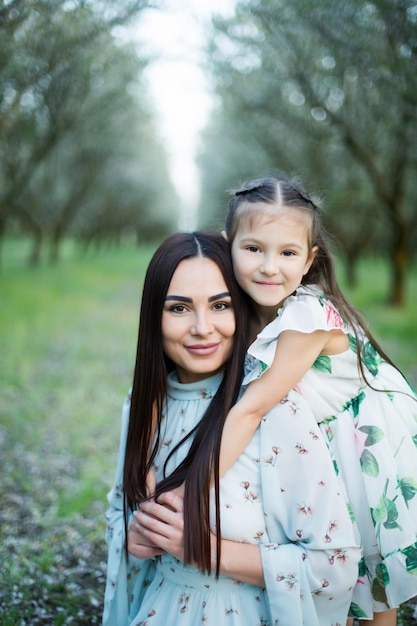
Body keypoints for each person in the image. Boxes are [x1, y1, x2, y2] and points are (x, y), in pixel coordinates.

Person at [102, 231, 360, 626]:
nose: (203, 328)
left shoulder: (273, 408)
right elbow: (118, 512)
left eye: (220, 305)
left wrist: (205, 550)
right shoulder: (141, 404)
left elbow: (336, 568)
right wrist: (132, 538)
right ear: (153, 316)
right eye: (179, 308)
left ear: (242, 308)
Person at [217, 172, 417, 625]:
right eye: (253, 249)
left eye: (287, 253)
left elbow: (252, 407)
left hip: (360, 449)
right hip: (318, 445)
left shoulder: (307, 314)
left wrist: (194, 487)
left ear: (309, 260)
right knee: (339, 591)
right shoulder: (254, 309)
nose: (270, 267)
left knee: (368, 589)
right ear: (228, 245)